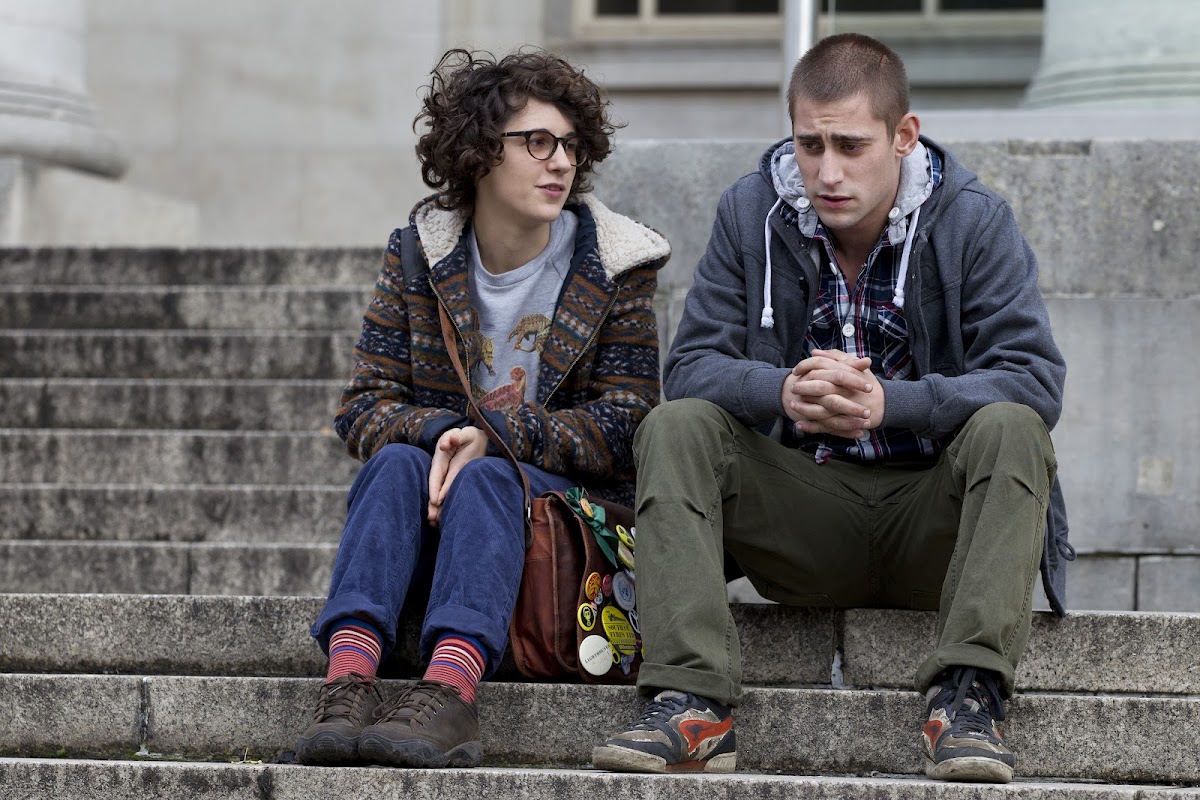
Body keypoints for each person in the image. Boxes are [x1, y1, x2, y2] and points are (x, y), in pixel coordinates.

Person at [592, 33, 1069, 784]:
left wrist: (890, 403)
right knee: (676, 425)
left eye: (850, 145)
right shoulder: (751, 212)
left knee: (1013, 428)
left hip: (935, 526)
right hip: (802, 516)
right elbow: (689, 368)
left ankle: (969, 698)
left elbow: (1035, 380)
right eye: (809, 144)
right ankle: (691, 701)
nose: (827, 171)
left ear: (904, 136)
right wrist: (781, 391)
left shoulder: (974, 220)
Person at [294, 48, 669, 769]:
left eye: (571, 145)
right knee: (396, 463)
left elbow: (629, 423)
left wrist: (495, 438)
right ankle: (347, 681)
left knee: (491, 475)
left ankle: (451, 692)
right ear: (478, 152)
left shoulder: (616, 265)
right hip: (444, 517)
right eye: (537, 142)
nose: (561, 162)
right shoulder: (420, 255)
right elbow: (363, 405)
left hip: (563, 531)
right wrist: (445, 433)